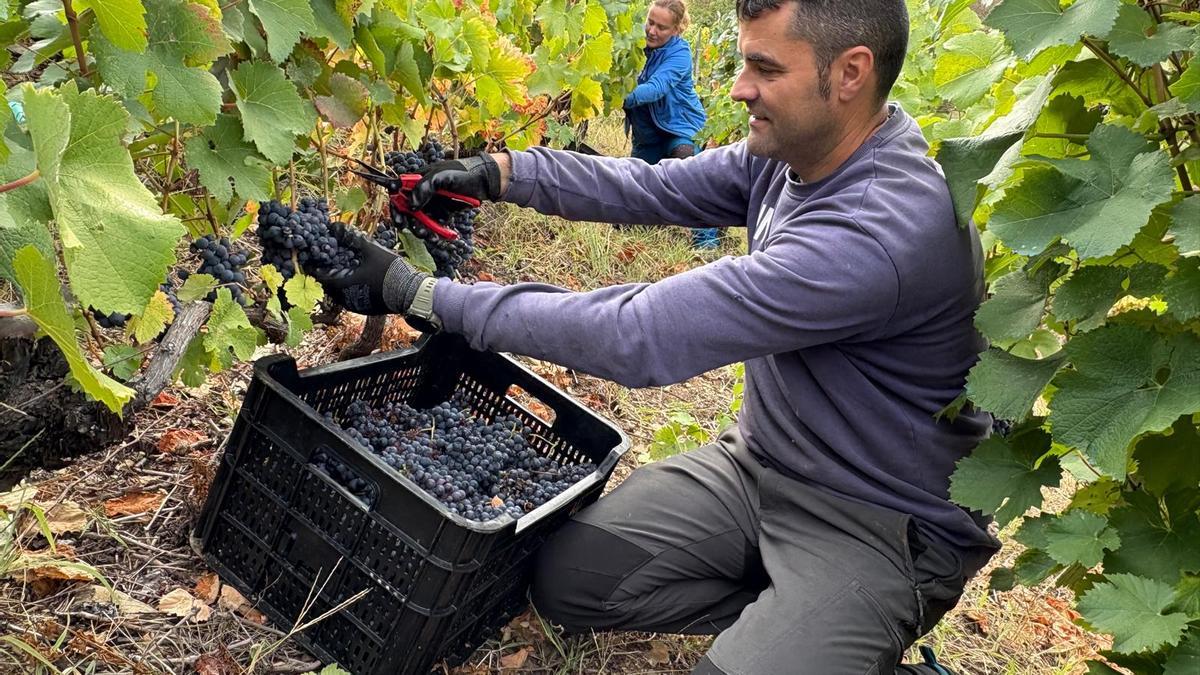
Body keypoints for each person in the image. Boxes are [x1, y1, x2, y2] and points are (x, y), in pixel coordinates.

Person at [318, 0, 997, 672]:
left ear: (850, 73)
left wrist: (421, 294)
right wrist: (501, 173)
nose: (739, 88)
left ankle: (835, 630)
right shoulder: (801, 149)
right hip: (762, 467)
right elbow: (651, 187)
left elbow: (637, 334)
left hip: (878, 523)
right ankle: (794, 621)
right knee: (569, 580)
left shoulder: (879, 230)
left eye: (765, 68)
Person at [623, 0, 719, 250]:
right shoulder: (633, 43)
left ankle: (706, 244)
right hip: (648, 132)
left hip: (681, 127)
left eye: (662, 27)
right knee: (638, 187)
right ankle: (650, 225)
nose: (652, 31)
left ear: (676, 30)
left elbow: (656, 88)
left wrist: (617, 97)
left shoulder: (680, 54)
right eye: (650, 22)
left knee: (688, 173)